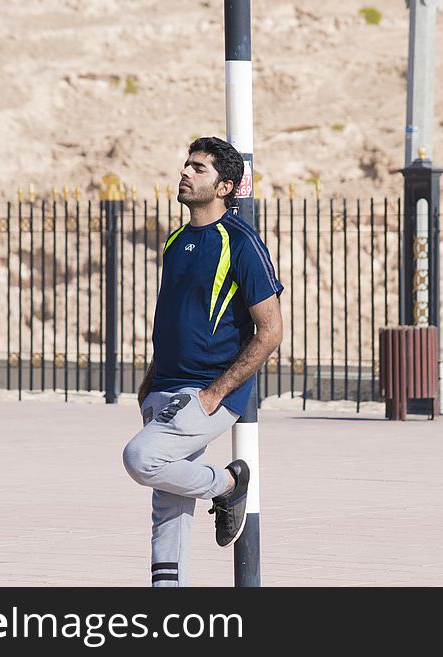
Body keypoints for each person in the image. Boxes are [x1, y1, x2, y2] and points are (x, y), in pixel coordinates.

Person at [122, 137, 284, 587]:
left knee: (140, 458)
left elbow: (270, 330)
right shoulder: (176, 240)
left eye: (199, 169)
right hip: (164, 388)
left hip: (207, 392)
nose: (186, 173)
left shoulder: (241, 242)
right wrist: (149, 382)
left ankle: (230, 485)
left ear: (224, 186)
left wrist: (214, 394)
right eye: (186, 164)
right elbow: (174, 317)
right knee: (167, 508)